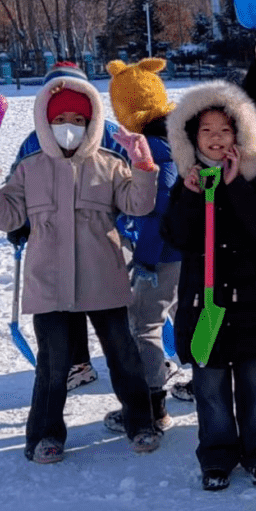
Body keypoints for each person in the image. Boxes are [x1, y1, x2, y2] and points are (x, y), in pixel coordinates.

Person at [0, 70, 161, 463]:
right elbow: (9, 216)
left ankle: (141, 422)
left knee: (122, 355)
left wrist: (143, 169)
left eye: (78, 121)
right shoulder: (30, 167)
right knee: (54, 364)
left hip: (102, 277)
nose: (69, 129)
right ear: (46, 123)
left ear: (91, 123)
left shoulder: (110, 164)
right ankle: (44, 434)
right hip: (49, 283)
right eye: (60, 121)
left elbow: (137, 204)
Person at [164, 81, 256, 491]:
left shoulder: (251, 182)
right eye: (206, 131)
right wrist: (191, 195)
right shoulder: (186, 186)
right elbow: (177, 237)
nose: (216, 139)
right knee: (211, 390)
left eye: (225, 130)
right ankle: (217, 456)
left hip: (253, 304)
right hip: (205, 307)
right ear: (192, 138)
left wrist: (233, 185)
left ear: (240, 135)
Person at [4, 60, 131, 391]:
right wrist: (21, 223)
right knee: (65, 306)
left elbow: (130, 180)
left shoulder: (112, 133)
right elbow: (17, 184)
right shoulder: (36, 139)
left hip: (108, 236)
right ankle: (78, 361)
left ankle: (142, 359)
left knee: (117, 307)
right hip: (55, 239)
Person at [103, 58, 181, 434]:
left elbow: (157, 210)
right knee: (179, 317)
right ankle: (201, 383)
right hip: (180, 251)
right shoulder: (177, 136)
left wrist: (147, 262)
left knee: (145, 326)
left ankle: (152, 406)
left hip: (161, 255)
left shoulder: (152, 147)